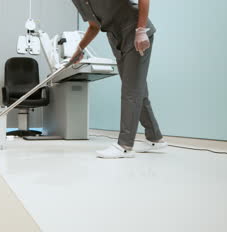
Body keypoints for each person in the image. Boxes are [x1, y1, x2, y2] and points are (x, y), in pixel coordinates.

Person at [71, 0, 167, 159]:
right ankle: (155, 138)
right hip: (117, 40)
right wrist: (80, 48)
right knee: (137, 89)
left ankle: (125, 146)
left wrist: (141, 29)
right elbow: (94, 26)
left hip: (136, 33)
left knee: (131, 90)